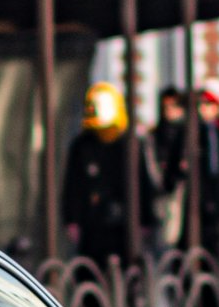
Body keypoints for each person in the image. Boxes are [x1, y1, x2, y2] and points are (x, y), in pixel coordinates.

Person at [60, 82, 156, 267]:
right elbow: (73, 186)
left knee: (127, 271)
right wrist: (71, 219)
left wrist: (145, 220)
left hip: (124, 226)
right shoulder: (82, 146)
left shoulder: (130, 145)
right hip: (93, 226)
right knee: (91, 271)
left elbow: (143, 183)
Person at [159, 82, 219, 256]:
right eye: (200, 104)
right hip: (193, 215)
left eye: (209, 104)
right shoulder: (186, 138)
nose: (204, 109)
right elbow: (170, 178)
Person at [150, 86, 187, 249]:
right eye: (166, 107)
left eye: (174, 106)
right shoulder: (155, 136)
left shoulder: (188, 134)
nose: (170, 111)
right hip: (163, 194)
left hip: (182, 194)